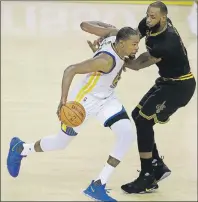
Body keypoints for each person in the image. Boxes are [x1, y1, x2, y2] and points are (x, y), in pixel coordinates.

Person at [7, 25, 140, 201]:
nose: (137, 48)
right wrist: (63, 101)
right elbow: (70, 69)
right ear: (121, 44)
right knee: (60, 143)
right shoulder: (105, 61)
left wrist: (98, 38)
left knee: (127, 134)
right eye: (134, 44)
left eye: (138, 44)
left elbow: (85, 24)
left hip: (107, 99)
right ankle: (21, 148)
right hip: (84, 103)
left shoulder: (113, 34)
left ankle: (98, 184)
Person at [120, 1, 196, 193]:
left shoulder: (166, 42)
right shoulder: (152, 24)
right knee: (137, 115)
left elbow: (137, 65)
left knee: (145, 121)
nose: (148, 18)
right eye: (147, 14)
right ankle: (157, 166)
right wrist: (111, 43)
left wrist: (115, 58)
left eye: (153, 16)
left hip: (180, 86)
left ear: (163, 18)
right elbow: (133, 37)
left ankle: (147, 176)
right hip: (166, 81)